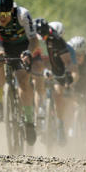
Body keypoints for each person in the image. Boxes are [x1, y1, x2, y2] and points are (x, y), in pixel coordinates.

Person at [0, 0, 39, 145]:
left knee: (23, 79)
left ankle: (29, 120)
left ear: (12, 10)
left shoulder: (23, 15)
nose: (3, 17)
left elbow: (33, 40)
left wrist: (28, 53)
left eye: (6, 13)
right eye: (0, 13)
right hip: (2, 43)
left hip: (22, 45)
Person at [32, 18, 77, 146]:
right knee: (36, 83)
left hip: (57, 69)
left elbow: (68, 62)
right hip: (40, 68)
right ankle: (37, 115)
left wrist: (68, 75)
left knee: (58, 93)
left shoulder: (57, 41)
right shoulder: (32, 40)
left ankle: (60, 124)